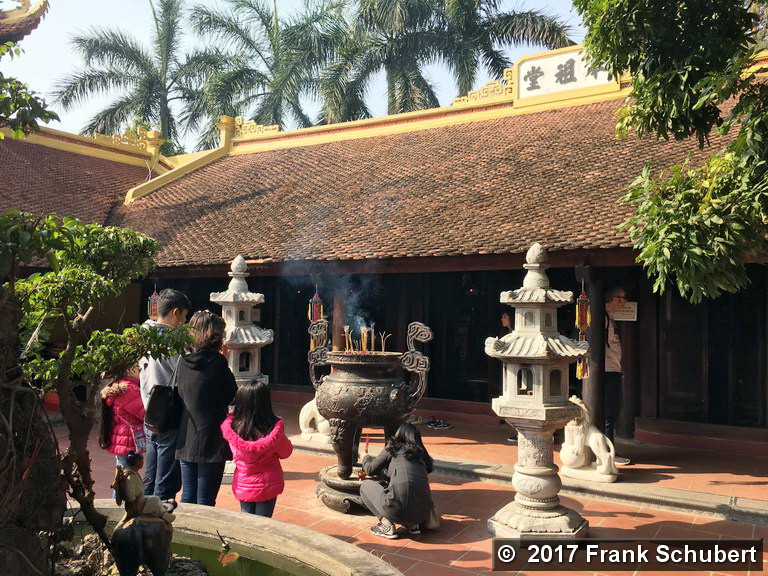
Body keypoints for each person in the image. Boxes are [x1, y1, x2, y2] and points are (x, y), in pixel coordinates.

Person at [175, 310, 238, 506]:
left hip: (186, 435)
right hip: (212, 437)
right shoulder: (218, 362)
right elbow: (231, 395)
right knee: (206, 500)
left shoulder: (183, 360)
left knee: (187, 496)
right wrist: (225, 360)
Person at [140, 288, 191, 504]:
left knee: (150, 474)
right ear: (175, 312)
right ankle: (158, 514)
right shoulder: (172, 340)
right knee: (166, 478)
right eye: (184, 316)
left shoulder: (143, 333)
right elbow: (185, 374)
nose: (184, 322)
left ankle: (141, 511)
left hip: (150, 412)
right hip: (169, 414)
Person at [221, 380, 293, 517]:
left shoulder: (233, 428)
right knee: (263, 522)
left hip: (244, 483)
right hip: (268, 484)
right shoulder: (273, 429)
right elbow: (286, 452)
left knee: (246, 521)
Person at [360, 422, 434, 539]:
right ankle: (412, 525)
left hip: (397, 510)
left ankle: (386, 526)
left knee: (365, 486)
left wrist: (364, 457)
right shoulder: (421, 454)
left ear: (398, 434)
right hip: (422, 515)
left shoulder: (395, 448)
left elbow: (370, 469)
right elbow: (402, 474)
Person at [605, 287, 631, 466]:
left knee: (613, 409)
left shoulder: (610, 318)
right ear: (613, 299)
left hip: (612, 369)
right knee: (609, 411)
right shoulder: (602, 318)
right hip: (606, 371)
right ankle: (607, 453)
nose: (624, 302)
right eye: (621, 298)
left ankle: (608, 450)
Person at [101, 365, 146, 468]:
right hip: (128, 438)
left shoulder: (121, 385)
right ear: (130, 370)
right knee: (128, 473)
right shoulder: (129, 389)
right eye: (138, 367)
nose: (142, 370)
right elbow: (143, 413)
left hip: (122, 436)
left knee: (122, 469)